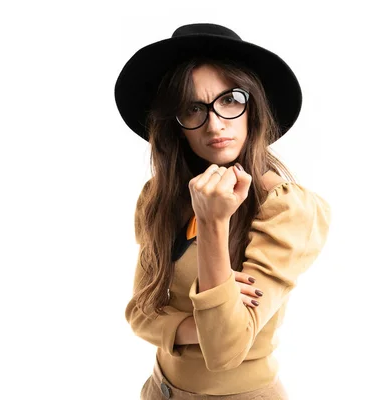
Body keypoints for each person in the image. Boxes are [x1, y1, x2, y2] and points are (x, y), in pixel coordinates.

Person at [115, 23, 331, 399]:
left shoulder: (285, 207)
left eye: (230, 100)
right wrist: (201, 324)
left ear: (253, 106)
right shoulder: (159, 196)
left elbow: (226, 350)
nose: (215, 124)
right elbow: (140, 313)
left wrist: (214, 222)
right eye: (193, 108)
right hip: (158, 390)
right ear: (175, 124)